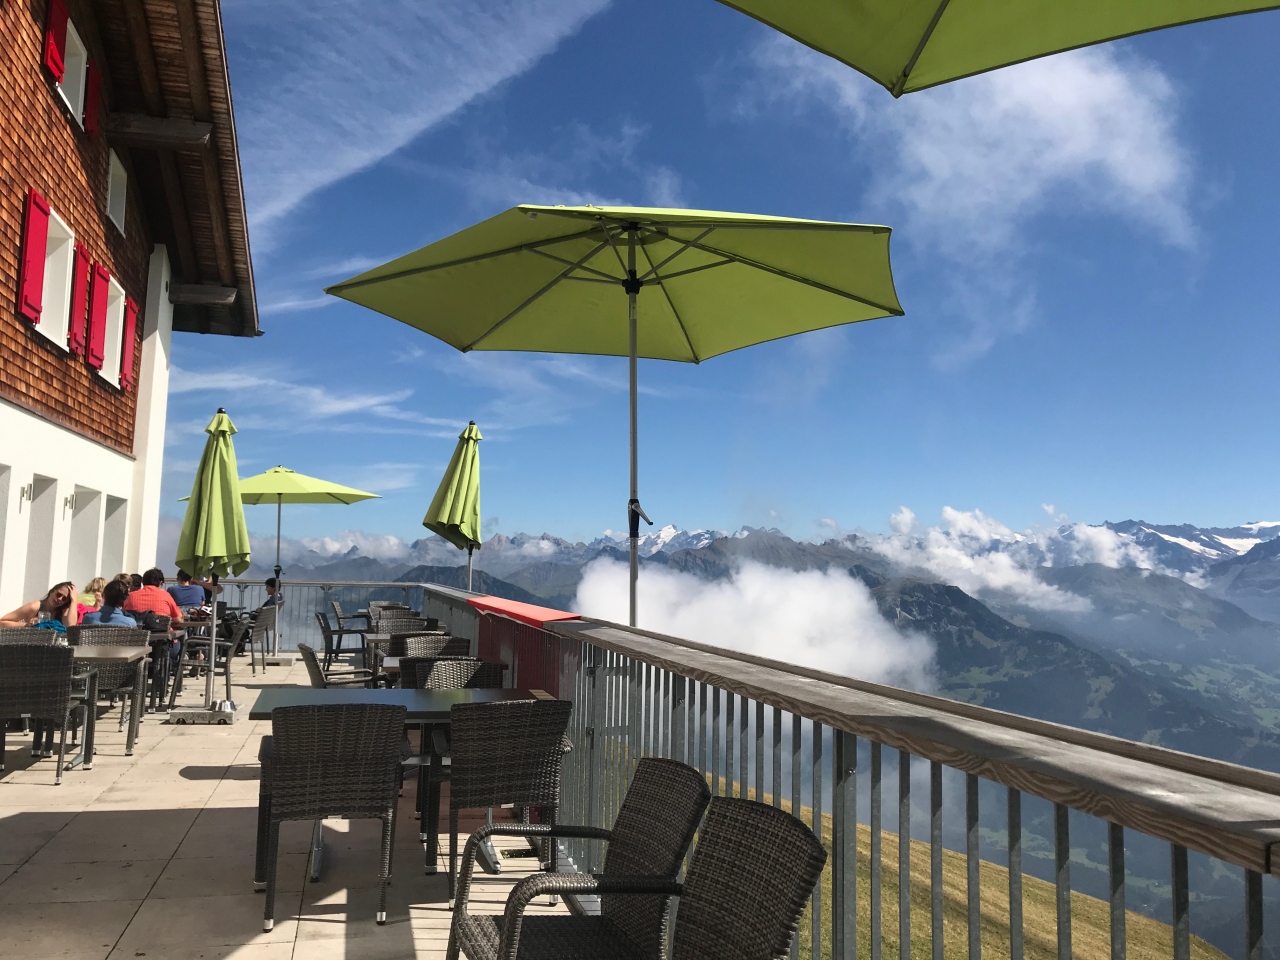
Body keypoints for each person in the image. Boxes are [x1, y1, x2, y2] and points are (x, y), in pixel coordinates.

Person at [0, 582, 78, 628]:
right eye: (58, 594)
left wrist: (74, 601)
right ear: (52, 591)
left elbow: (70, 626)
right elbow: (2, 622)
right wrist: (28, 625)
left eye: (64, 599)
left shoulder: (63, 611)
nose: (60, 599)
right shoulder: (34, 607)